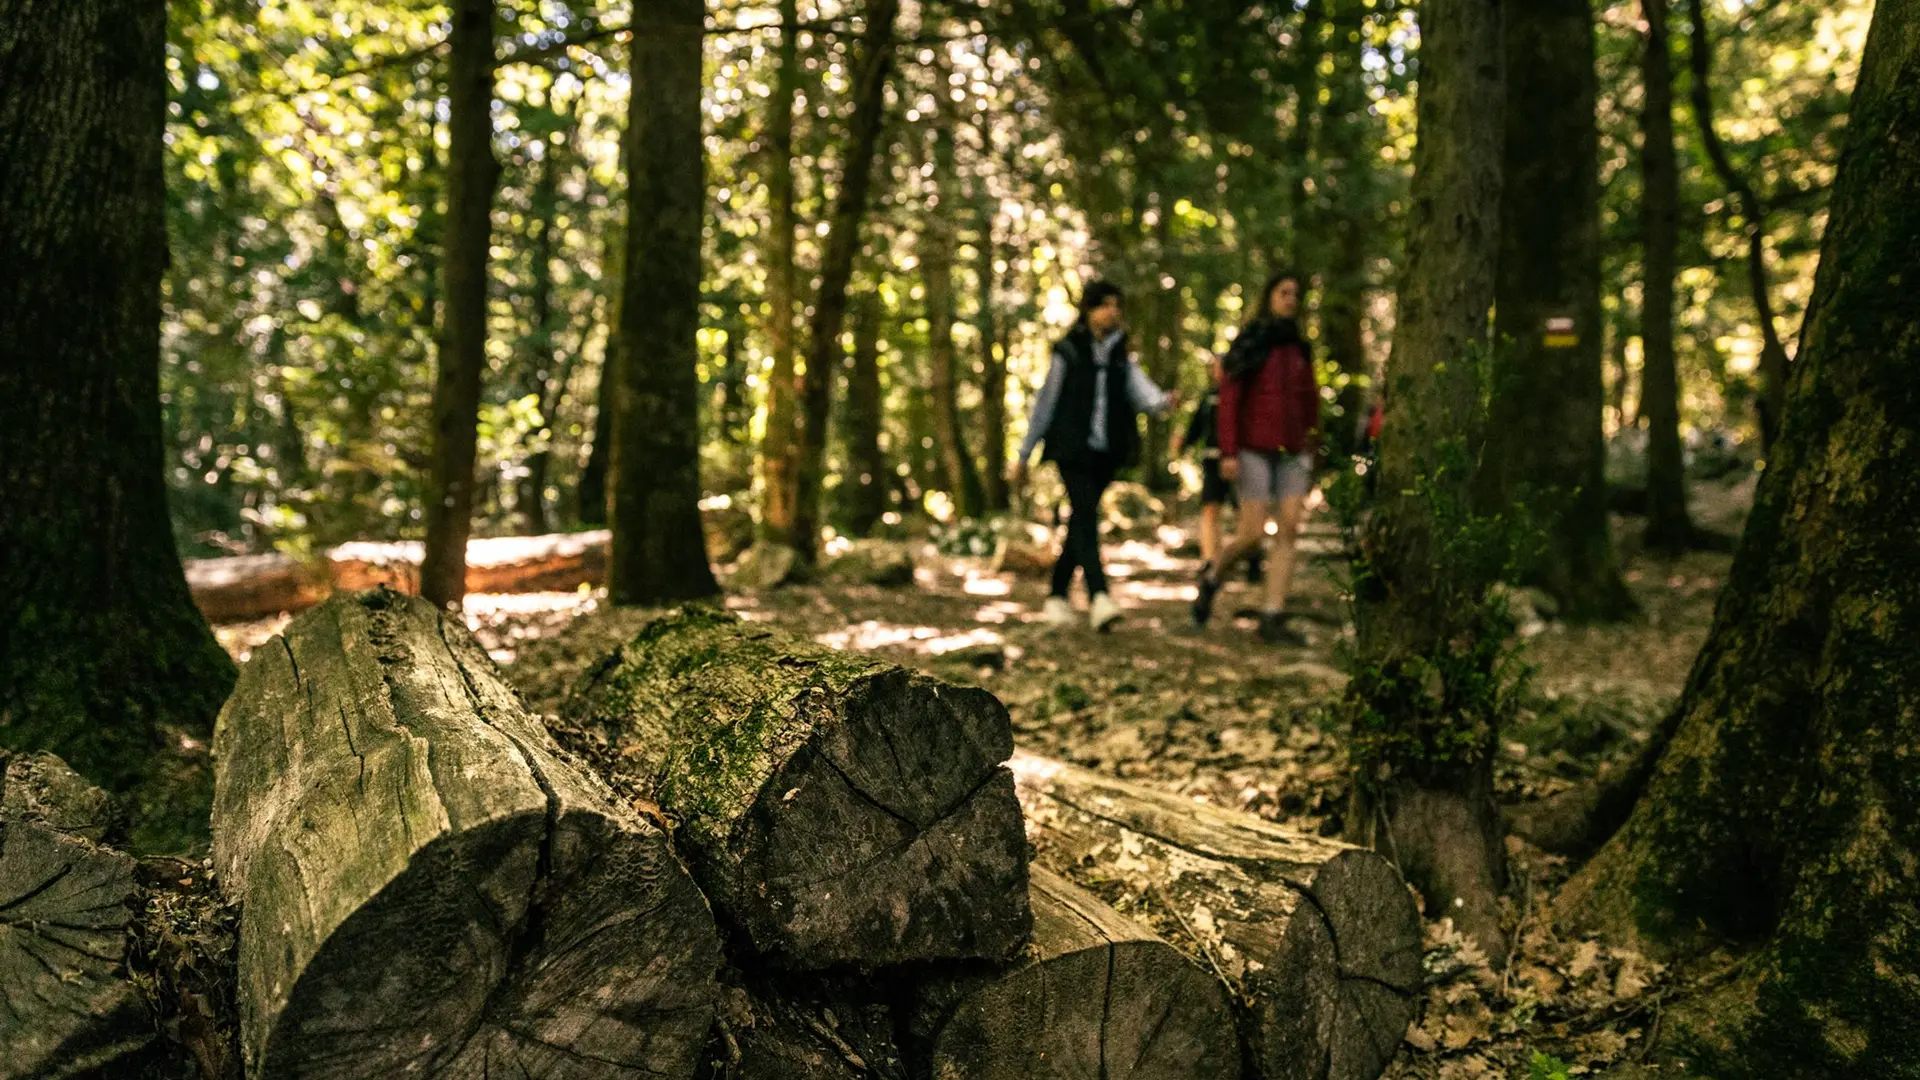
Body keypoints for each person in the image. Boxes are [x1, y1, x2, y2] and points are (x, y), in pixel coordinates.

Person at [1013, 280, 1176, 631]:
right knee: (1085, 514)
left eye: (1117, 305)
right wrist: (1024, 453)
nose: (1112, 312)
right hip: (1071, 449)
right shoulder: (1068, 350)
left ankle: (1056, 596)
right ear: (1089, 309)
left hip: (1107, 451)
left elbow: (1141, 391)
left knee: (1081, 521)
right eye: (1105, 305)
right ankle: (1099, 596)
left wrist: (1163, 402)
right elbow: (1046, 402)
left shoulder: (1120, 355)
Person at [1192, 270, 1321, 644]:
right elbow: (1229, 401)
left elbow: (1309, 396)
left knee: (1290, 528)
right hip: (1253, 450)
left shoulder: (1300, 347)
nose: (1290, 299)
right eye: (1284, 292)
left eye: (1295, 293)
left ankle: (1272, 613)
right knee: (1250, 534)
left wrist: (1313, 434)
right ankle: (1213, 576)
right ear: (1268, 297)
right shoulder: (1250, 343)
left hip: (1294, 451)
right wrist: (1228, 451)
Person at [1170, 356, 1263, 581]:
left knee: (1245, 512)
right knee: (1211, 510)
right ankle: (1210, 560)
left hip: (1241, 462)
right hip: (1212, 462)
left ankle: (1252, 559)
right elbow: (1196, 427)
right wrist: (1181, 445)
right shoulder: (1209, 397)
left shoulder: (1246, 395)